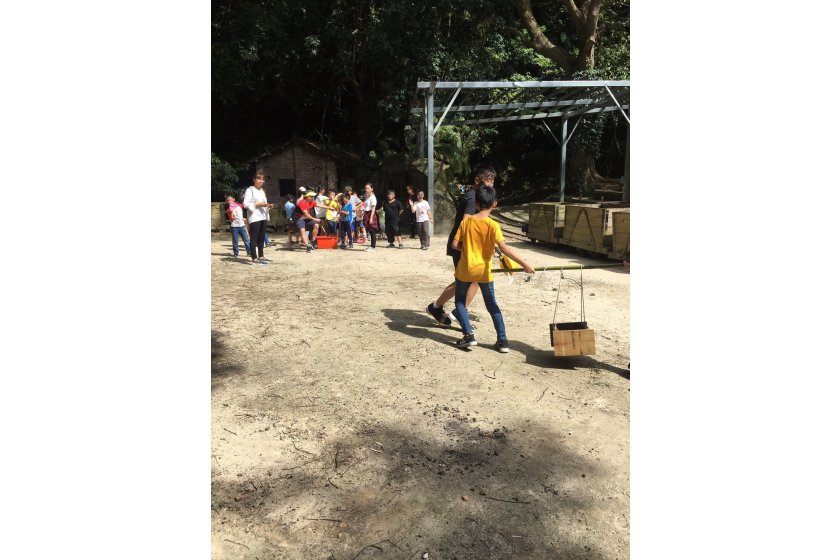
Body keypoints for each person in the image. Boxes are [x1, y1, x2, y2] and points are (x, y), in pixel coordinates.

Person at [451, 185, 535, 351]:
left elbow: (454, 245)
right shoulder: (493, 225)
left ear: (476, 203)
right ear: (494, 204)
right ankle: (502, 341)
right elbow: (504, 248)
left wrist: (467, 249)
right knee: (491, 304)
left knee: (460, 301)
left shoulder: (466, 222)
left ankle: (468, 335)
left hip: (465, 270)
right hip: (484, 272)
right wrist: (524, 264)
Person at [426, 164, 496, 326]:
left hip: (464, 245)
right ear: (477, 180)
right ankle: (454, 311)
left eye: (492, 181)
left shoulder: (474, 196)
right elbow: (467, 223)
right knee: (470, 280)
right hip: (463, 246)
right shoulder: (472, 198)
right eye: (488, 181)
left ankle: (441, 308)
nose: (491, 185)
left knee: (467, 280)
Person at [243, 171, 274, 265]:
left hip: (262, 215)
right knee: (254, 237)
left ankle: (261, 256)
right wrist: (258, 204)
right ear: (254, 180)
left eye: (262, 179)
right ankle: (254, 259)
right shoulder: (250, 190)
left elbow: (264, 202)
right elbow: (245, 204)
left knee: (261, 236)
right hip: (254, 216)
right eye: (259, 179)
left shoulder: (262, 191)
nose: (261, 181)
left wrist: (268, 205)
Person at [362, 183, 379, 252]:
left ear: (372, 189)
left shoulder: (373, 197)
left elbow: (373, 208)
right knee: (369, 230)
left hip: (370, 213)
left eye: (368, 188)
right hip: (366, 213)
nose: (367, 190)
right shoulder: (367, 197)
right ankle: (371, 245)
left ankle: (373, 246)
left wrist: (371, 218)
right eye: (366, 188)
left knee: (372, 230)